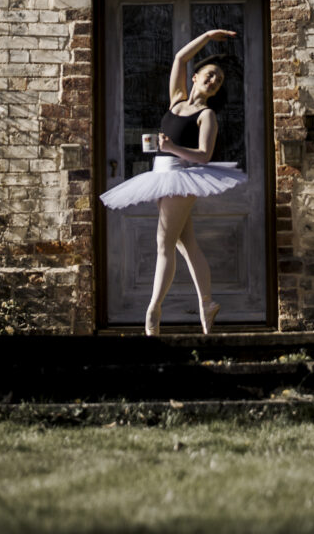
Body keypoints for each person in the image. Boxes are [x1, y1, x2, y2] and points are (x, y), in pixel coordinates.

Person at [100, 29, 247, 336]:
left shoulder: (207, 115)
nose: (213, 82)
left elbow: (204, 156)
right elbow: (181, 56)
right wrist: (207, 36)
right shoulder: (176, 100)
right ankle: (207, 304)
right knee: (185, 242)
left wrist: (170, 148)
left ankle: (153, 311)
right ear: (195, 77)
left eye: (218, 81)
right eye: (209, 75)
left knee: (163, 244)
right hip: (161, 175)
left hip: (182, 177)